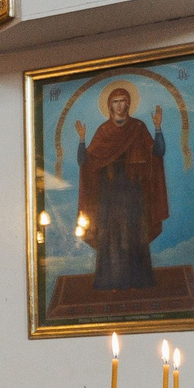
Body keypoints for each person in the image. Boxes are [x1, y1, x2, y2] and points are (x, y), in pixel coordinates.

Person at [76, 83, 168, 291]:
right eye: (115, 102)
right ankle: (110, 280)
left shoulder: (138, 128)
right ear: (110, 106)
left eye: (123, 101)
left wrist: (158, 128)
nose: (119, 105)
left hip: (133, 191)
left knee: (135, 232)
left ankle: (139, 279)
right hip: (109, 194)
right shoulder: (104, 131)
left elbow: (157, 153)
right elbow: (85, 162)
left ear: (129, 104)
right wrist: (82, 140)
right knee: (110, 234)